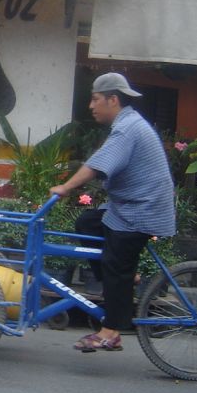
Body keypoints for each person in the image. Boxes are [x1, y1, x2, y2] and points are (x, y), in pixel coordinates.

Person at [50, 72, 175, 352]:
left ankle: (110, 332)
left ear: (113, 99)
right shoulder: (127, 124)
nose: (91, 106)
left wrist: (66, 187)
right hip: (126, 207)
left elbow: (98, 164)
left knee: (117, 265)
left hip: (141, 210)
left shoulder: (127, 128)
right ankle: (122, 279)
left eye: (95, 100)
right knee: (86, 223)